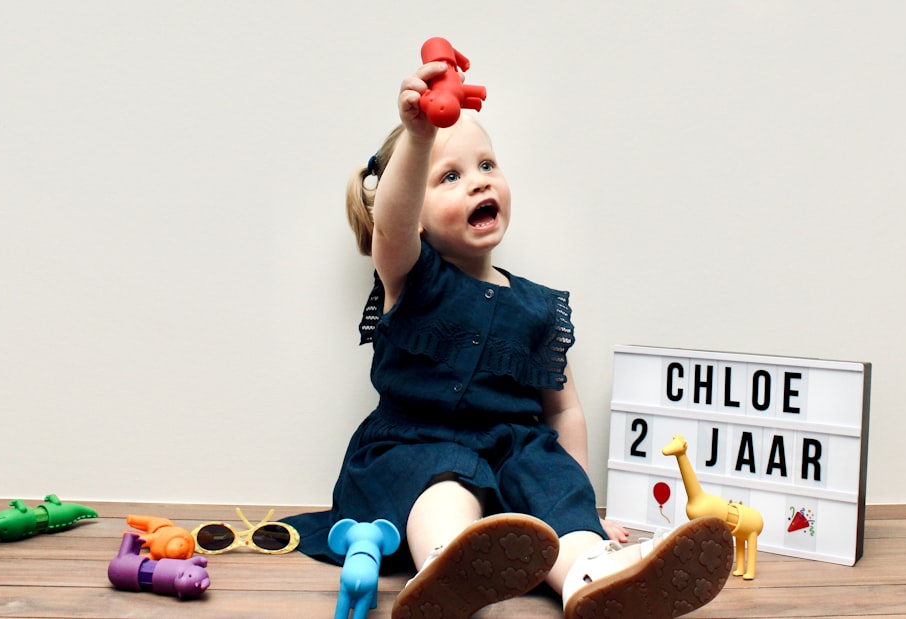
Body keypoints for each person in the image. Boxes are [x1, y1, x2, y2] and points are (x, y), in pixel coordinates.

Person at [283, 60, 733, 619]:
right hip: (415, 448)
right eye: (448, 176)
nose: (478, 180)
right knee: (444, 489)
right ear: (415, 218)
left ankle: (593, 576)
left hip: (514, 453)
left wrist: (582, 508)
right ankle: (448, 568)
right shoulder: (410, 275)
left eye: (487, 165)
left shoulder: (540, 307)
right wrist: (419, 137)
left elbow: (563, 409)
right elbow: (391, 226)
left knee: (549, 491)